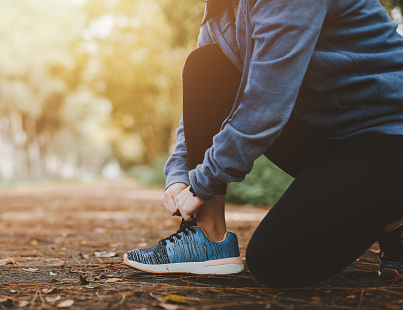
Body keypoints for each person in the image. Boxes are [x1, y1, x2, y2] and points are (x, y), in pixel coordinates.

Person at [123, 0, 403, 287]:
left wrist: (201, 182)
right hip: (331, 133)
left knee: (275, 260)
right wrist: (180, 174)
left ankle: (392, 214)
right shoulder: (219, 10)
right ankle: (209, 236)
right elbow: (202, 104)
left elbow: (265, 105)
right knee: (206, 65)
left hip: (388, 134)